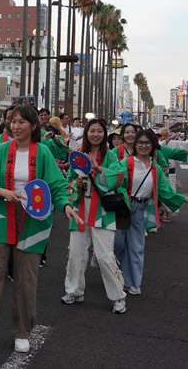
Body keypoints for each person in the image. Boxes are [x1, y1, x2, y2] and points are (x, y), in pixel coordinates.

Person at [0, 105, 80, 355]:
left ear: (33, 126)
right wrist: (2, 192)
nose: (16, 126)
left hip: (34, 222)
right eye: (13, 122)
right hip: (1, 217)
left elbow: (57, 186)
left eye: (22, 122)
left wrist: (66, 206)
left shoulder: (42, 152)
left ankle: (22, 332)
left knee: (26, 280)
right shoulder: (1, 150)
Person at [109, 129, 188, 295]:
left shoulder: (155, 167)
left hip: (140, 208)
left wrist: (183, 199)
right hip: (123, 207)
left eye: (147, 143)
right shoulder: (126, 162)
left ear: (153, 145)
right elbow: (115, 181)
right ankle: (106, 266)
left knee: (136, 247)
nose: (143, 146)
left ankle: (133, 283)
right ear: (135, 144)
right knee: (118, 244)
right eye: (140, 142)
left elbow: (164, 190)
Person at [62, 118, 127, 314]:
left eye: (99, 131)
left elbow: (119, 177)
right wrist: (76, 185)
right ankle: (74, 291)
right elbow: (69, 181)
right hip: (80, 209)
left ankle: (118, 297)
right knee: (75, 254)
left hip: (104, 212)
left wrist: (98, 169)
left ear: (104, 134)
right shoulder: (77, 155)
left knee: (106, 257)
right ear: (86, 133)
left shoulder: (110, 156)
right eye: (92, 131)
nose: (95, 134)